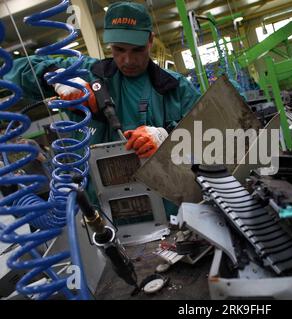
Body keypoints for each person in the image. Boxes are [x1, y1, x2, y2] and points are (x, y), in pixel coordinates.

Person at [5, 2, 201, 215]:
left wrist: (166, 138)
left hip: (169, 209)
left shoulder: (175, 88)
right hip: (103, 212)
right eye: (119, 50)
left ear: (150, 40)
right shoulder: (90, 73)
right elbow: (16, 68)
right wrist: (56, 77)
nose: (128, 60)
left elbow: (213, 139)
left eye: (137, 50)